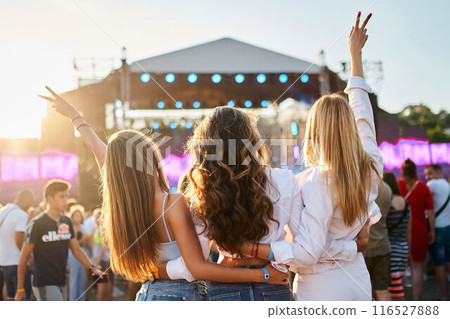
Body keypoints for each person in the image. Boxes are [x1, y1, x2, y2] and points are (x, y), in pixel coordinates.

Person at [38, 88, 289, 302]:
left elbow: (102, 154)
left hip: (147, 294)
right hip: (181, 296)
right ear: (149, 158)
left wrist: (77, 118)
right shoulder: (172, 202)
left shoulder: (125, 206)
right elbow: (198, 267)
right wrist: (263, 275)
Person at [224, 12, 382, 301]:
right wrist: (355, 58)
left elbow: (309, 254)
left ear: (315, 131)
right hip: (358, 279)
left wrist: (255, 249)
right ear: (348, 127)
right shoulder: (371, 162)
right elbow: (363, 113)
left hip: (321, 286)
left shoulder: (318, 180)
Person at [15, 180, 103, 301]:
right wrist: (20, 288)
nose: (65, 199)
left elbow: (76, 249)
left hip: (62, 280)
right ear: (49, 199)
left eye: (67, 196)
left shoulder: (66, 221)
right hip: (44, 282)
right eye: (62, 196)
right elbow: (24, 256)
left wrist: (93, 268)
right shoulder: (37, 223)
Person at [398, 159, 434, 301]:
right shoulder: (424, 188)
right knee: (417, 267)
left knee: (400, 269)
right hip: (419, 232)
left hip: (400, 233)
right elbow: (430, 213)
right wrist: (432, 232)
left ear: (402, 170)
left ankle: (401, 301)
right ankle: (416, 302)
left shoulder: (397, 186)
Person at [0, 190, 35, 300]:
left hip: (5, 262)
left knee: (9, 297)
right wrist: (28, 257)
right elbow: (19, 238)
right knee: (23, 298)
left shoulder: (3, 211)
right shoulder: (21, 214)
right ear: (27, 201)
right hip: (18, 263)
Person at [383, 172, 410, 301]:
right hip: (403, 248)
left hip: (391, 249)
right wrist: (408, 250)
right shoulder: (405, 203)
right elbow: (408, 231)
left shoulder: (386, 204)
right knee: (399, 283)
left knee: (395, 289)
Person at [363, 182, 392, 301]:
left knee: (365, 291)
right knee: (382, 290)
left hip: (363, 247)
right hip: (383, 244)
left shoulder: (363, 186)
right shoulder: (387, 188)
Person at [425, 164, 450, 301]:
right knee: (448, 261)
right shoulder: (447, 185)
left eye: (429, 173)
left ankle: (445, 297)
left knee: (439, 264)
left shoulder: (432, 184)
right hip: (448, 228)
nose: (427, 177)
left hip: (438, 229)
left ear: (438, 172)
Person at [68, 204, 88, 301]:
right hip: (73, 254)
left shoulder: (82, 227)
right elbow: (73, 244)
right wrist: (84, 239)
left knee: (82, 278)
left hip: (82, 253)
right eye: (76, 215)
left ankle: (81, 299)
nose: (78, 217)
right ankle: (73, 299)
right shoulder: (71, 228)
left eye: (79, 215)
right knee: (74, 277)